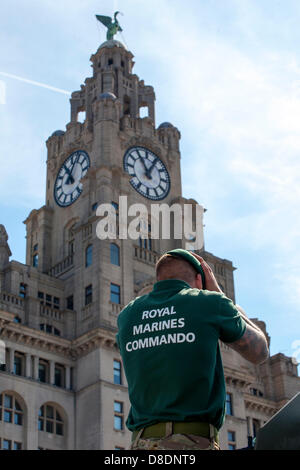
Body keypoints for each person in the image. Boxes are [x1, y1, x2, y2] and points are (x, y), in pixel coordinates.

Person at [116, 250, 269, 450]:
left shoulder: (127, 315)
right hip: (191, 442)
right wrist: (219, 295)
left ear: (158, 279)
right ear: (199, 279)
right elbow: (260, 352)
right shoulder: (209, 302)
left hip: (140, 444)